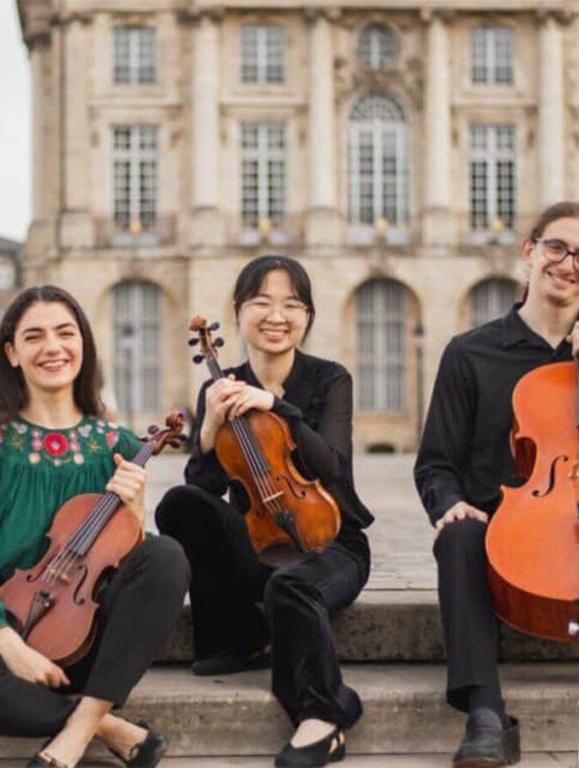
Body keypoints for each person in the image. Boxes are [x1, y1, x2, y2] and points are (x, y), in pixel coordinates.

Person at [0, 285, 189, 768]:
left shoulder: (112, 442)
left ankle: (76, 732)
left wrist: (134, 512)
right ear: (12, 352)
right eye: (35, 336)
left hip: (88, 637)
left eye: (65, 333)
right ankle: (110, 725)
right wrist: (9, 646)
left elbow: (127, 565)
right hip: (5, 631)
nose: (53, 347)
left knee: (166, 555)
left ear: (84, 345)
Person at [156, 255, 373, 768]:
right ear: (238, 312)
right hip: (261, 541)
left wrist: (277, 407)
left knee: (290, 585)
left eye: (292, 304)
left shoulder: (329, 379)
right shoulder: (219, 385)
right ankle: (238, 637)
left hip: (330, 540)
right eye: (262, 303)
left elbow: (334, 466)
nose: (277, 316)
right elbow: (204, 490)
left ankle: (323, 716)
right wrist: (207, 429)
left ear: (307, 316)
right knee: (179, 504)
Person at [414, 201, 579, 768]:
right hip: (498, 533)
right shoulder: (470, 353)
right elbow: (435, 463)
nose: (569, 263)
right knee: (456, 537)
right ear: (529, 252)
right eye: (558, 247)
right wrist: (451, 504)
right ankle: (486, 713)